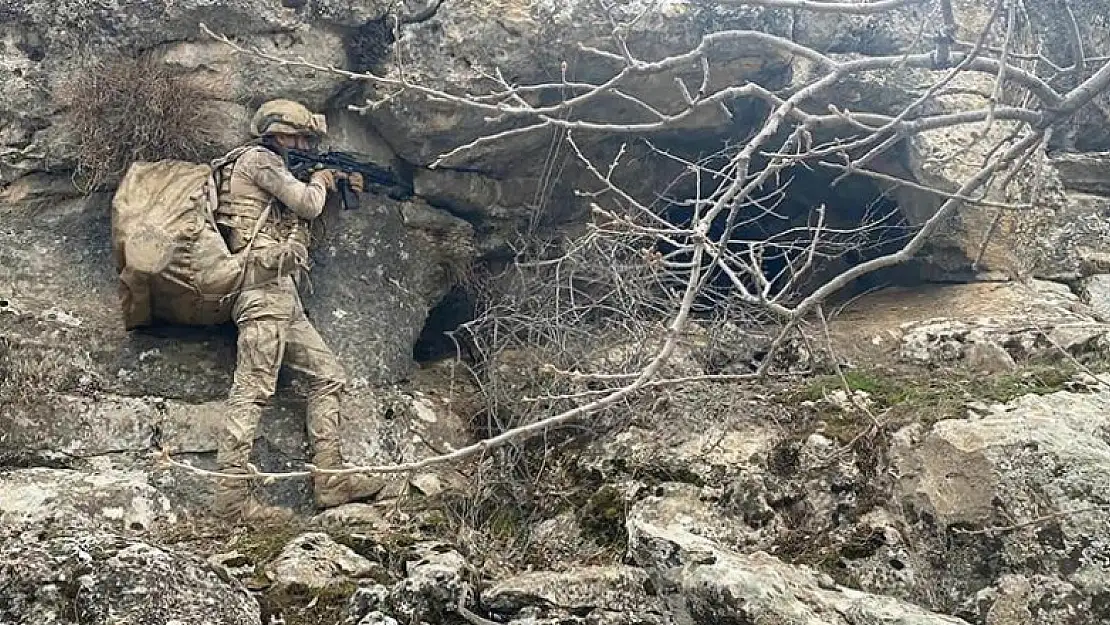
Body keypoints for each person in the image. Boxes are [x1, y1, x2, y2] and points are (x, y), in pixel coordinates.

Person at [212, 99, 383, 523]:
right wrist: (323, 181)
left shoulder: (271, 167)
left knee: (329, 377)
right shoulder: (258, 160)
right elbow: (306, 203)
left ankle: (331, 481)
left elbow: (296, 219)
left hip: (282, 292)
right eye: (301, 136)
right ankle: (231, 501)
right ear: (279, 132)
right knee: (252, 389)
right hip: (261, 290)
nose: (304, 143)